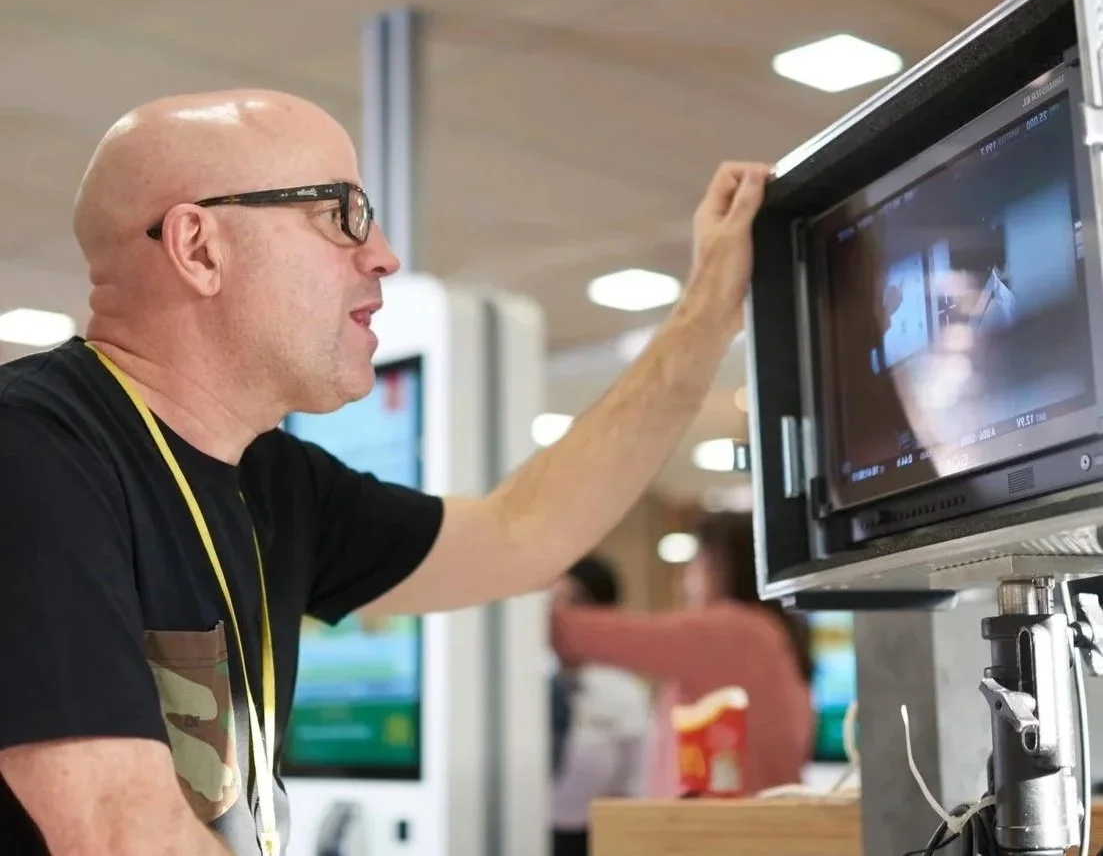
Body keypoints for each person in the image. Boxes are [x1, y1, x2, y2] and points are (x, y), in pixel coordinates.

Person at [0, 88, 769, 856]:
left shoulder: (273, 480)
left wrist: (708, 309)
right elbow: (118, 834)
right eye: (340, 214)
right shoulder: (32, 449)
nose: (383, 254)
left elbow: (522, 533)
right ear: (199, 248)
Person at [551, 510, 814, 798]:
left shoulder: (730, 632)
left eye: (695, 563)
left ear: (719, 568)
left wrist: (538, 592)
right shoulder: (766, 633)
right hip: (755, 816)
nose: (686, 578)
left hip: (726, 822)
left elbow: (584, 633)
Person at [549, 557, 650, 856]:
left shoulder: (624, 693)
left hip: (595, 838)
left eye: (574, 602)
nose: (560, 614)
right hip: (526, 830)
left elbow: (636, 783)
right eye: (555, 600)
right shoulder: (520, 686)